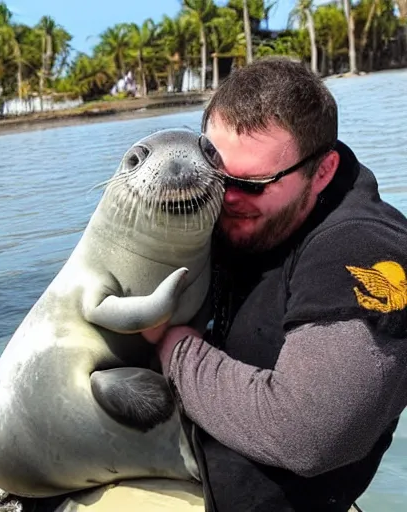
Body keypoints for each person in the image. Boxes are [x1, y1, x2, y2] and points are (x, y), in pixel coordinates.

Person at [142, 57, 407, 512]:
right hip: (174, 458)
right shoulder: (218, 202)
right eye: (220, 176)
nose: (230, 198)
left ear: (322, 171)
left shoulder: (364, 248)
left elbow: (309, 434)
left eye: (256, 183)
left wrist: (175, 348)